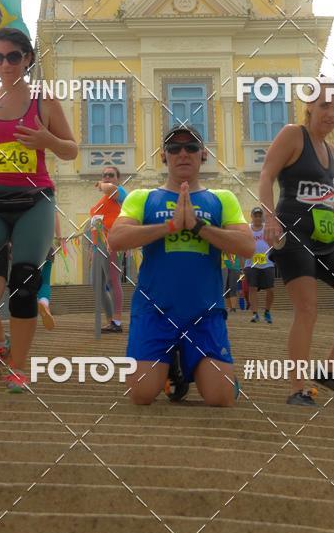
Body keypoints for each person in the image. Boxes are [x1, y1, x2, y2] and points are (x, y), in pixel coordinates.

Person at [0, 27, 77, 391]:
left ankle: (19, 368)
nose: (4, 64)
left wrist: (47, 140)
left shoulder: (44, 100)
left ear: (27, 59)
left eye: (12, 56)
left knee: (24, 285)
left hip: (33, 201)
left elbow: (70, 149)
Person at [109, 123, 254, 406]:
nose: (183, 153)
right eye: (174, 148)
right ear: (164, 156)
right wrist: (171, 226)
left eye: (191, 147)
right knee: (142, 395)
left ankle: (192, 361)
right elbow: (116, 238)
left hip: (204, 312)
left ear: (203, 154)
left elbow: (247, 246)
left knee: (221, 399)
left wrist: (199, 226)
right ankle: (173, 364)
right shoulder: (143, 197)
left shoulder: (222, 198)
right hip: (155, 312)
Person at [259, 79, 334, 407]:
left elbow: (321, 197)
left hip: (325, 238)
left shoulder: (332, 151)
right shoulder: (292, 135)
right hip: (293, 233)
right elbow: (267, 175)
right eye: (325, 105)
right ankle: (297, 387)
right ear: (309, 105)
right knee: (307, 310)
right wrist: (270, 217)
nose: (331, 113)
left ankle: (329, 368)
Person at [89, 166, 127, 332]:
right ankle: (111, 319)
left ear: (118, 179)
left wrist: (100, 183)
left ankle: (117, 321)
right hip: (100, 245)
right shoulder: (103, 201)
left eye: (111, 175)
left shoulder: (118, 193)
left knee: (113, 280)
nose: (107, 178)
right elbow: (96, 223)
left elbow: (109, 188)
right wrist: (93, 246)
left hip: (113, 242)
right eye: (104, 175)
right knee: (97, 284)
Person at [244, 207, 276, 324]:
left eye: (259, 215)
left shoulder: (267, 228)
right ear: (252, 217)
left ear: (262, 217)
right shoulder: (247, 229)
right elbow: (242, 244)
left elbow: (275, 242)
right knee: (252, 288)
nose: (257, 217)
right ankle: (255, 314)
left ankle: (267, 311)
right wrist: (243, 265)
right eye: (255, 215)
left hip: (267, 263)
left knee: (271, 290)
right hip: (251, 264)